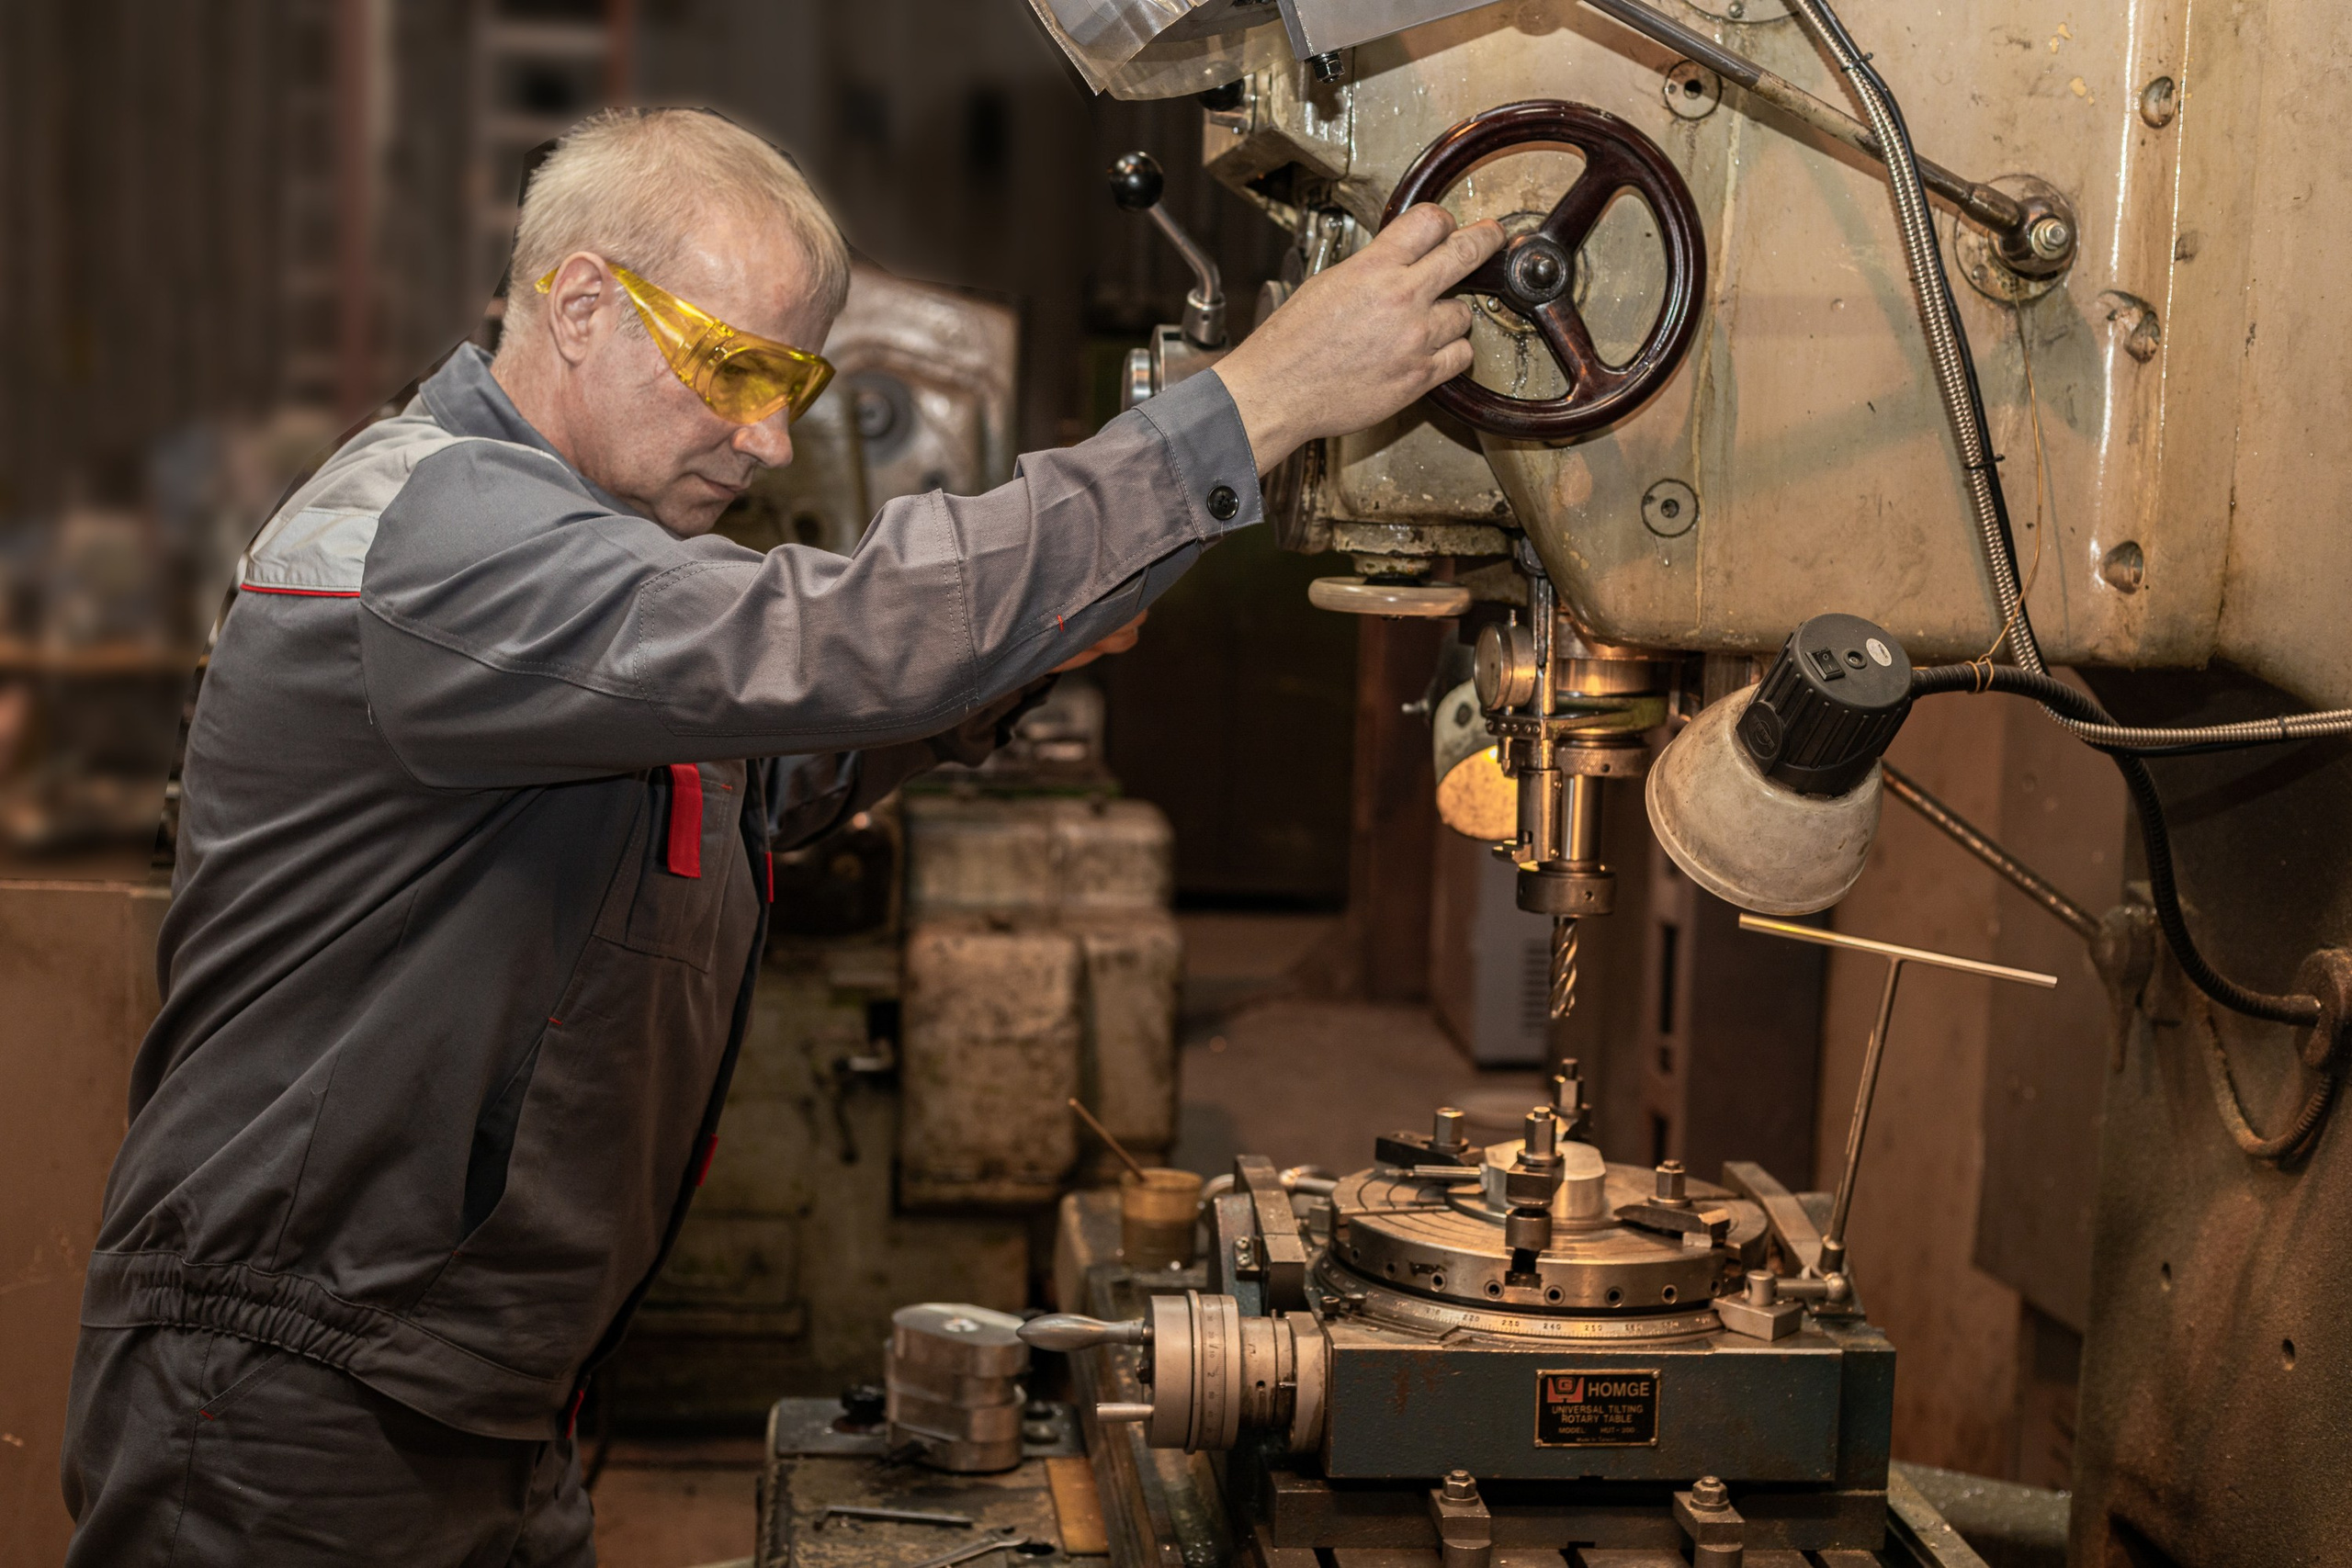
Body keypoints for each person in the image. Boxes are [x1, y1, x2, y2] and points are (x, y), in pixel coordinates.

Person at [60, 107, 1502, 1565]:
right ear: (577, 303)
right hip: (291, 1391)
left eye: (793, 384)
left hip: (473, 1378)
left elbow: (754, 778)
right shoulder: (435, 533)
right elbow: (827, 635)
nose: (765, 439)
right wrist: (1251, 403)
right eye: (736, 370)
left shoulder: (574, 560)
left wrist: (1006, 667)